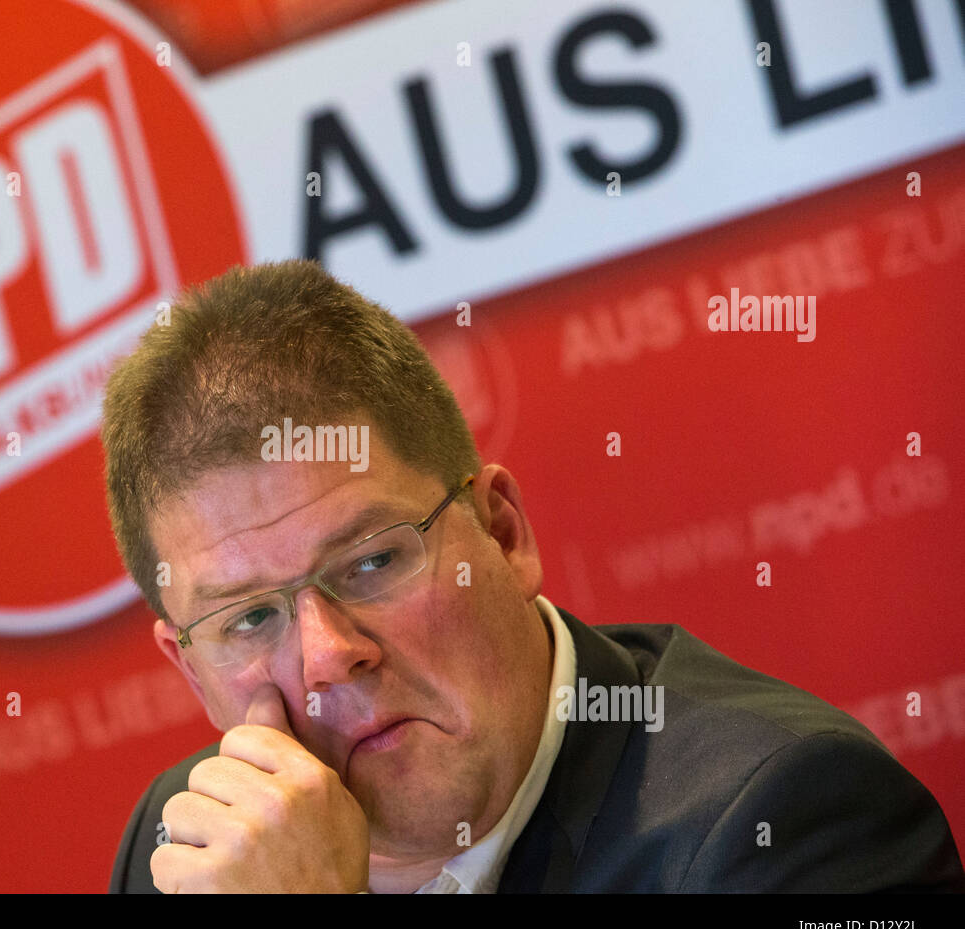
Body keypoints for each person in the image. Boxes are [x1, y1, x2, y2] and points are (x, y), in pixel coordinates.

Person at [101, 259, 964, 894]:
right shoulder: (182, 847)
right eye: (248, 620)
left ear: (504, 533)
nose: (327, 656)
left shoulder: (790, 825)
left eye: (372, 561)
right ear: (190, 671)